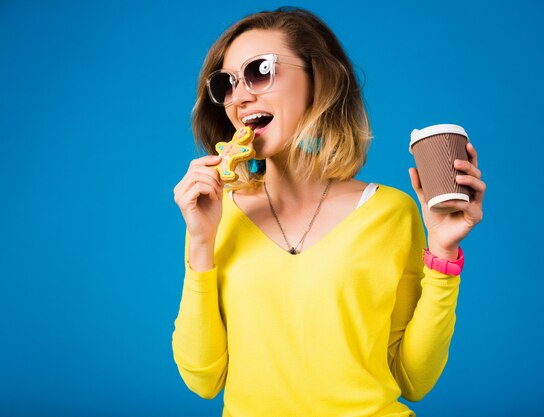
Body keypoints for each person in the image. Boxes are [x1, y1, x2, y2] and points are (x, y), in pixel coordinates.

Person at [172, 6, 486, 417]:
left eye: (260, 70)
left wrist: (443, 253)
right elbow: (202, 379)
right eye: (225, 84)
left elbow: (413, 379)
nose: (240, 96)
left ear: (317, 80)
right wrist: (200, 243)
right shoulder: (216, 215)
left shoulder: (390, 213)